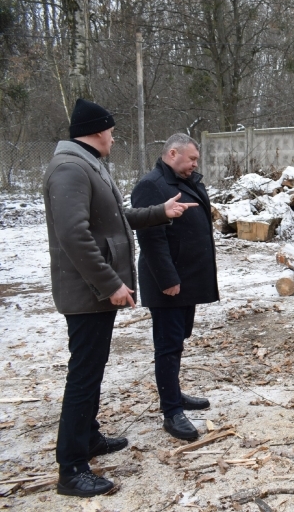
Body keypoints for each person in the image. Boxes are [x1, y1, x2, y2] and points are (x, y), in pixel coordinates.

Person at [44, 99, 197, 498]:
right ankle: (72, 467)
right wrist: (111, 283)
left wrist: (160, 211)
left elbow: (115, 218)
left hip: (94, 292)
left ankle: (89, 437)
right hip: (87, 293)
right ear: (97, 130)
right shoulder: (70, 169)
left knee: (92, 368)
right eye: (111, 130)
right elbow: (74, 235)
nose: (114, 137)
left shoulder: (88, 164)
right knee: (84, 374)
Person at [131, 134, 219, 441]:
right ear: (172, 153)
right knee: (167, 346)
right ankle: (171, 412)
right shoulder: (151, 186)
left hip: (189, 278)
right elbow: (150, 239)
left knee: (178, 340)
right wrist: (167, 280)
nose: (196, 164)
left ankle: (175, 394)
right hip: (169, 281)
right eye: (192, 159)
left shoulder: (189, 180)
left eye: (196, 160)